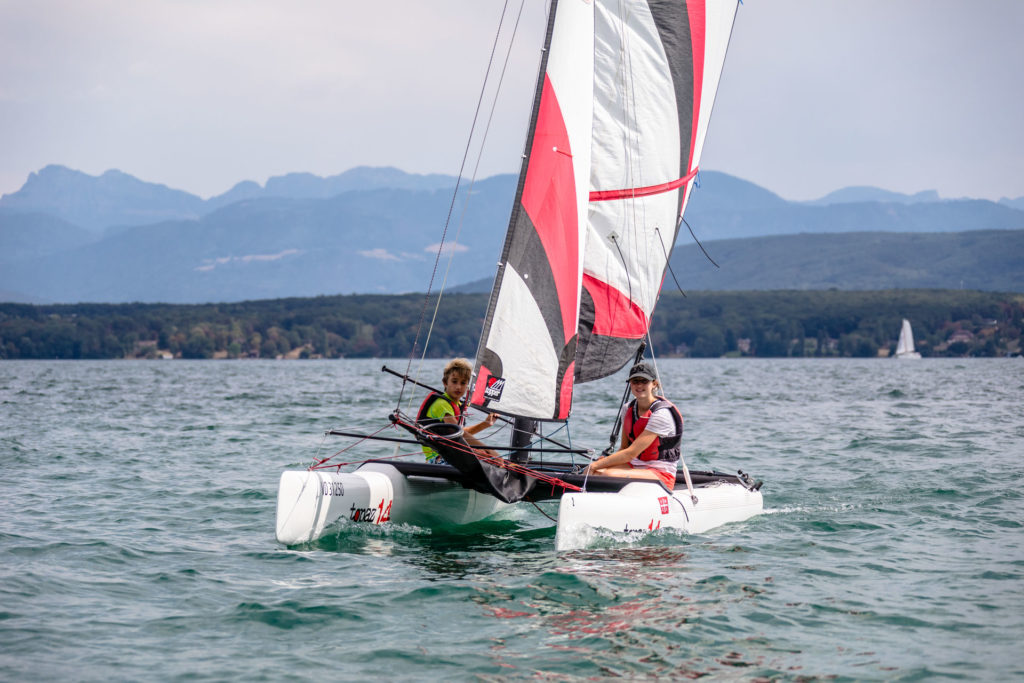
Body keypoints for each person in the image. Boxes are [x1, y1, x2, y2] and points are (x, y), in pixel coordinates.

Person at [583, 361, 684, 490]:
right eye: (635, 381)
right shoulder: (627, 409)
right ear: (630, 384)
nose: (639, 385)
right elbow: (624, 448)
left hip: (660, 473)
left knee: (606, 474)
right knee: (591, 473)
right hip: (634, 465)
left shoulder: (661, 414)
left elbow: (631, 453)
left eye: (644, 381)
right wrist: (600, 464)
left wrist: (596, 464)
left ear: (654, 384)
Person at [416, 358, 498, 462]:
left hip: (451, 455)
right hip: (438, 459)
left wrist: (485, 424)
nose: (458, 387)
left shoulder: (456, 404)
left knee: (487, 457)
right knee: (487, 455)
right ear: (445, 382)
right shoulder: (442, 404)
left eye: (463, 383)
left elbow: (459, 432)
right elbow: (459, 434)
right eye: (454, 382)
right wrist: (490, 450)